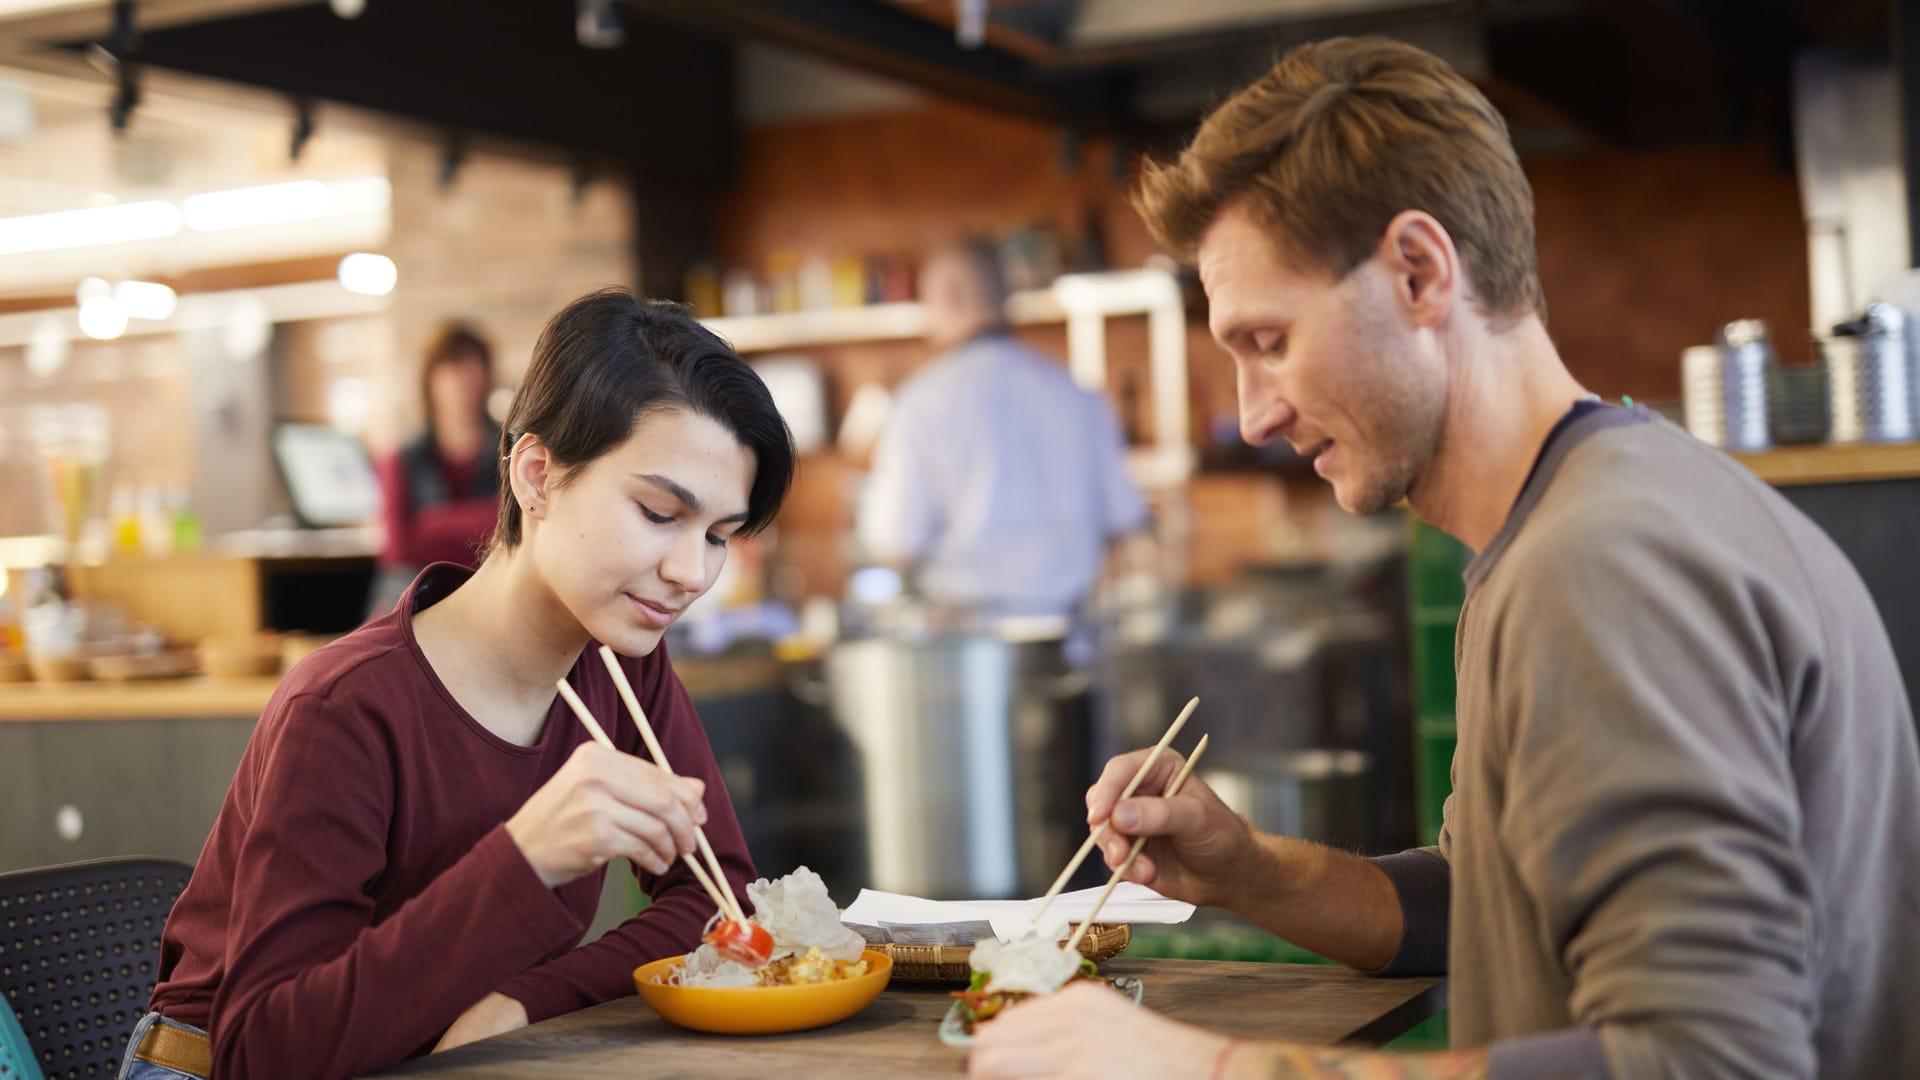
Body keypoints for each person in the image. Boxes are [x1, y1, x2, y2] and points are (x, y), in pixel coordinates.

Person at [970, 35, 1920, 1080]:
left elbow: (1710, 1059)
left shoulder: (1602, 567)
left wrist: (1209, 1068)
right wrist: (1248, 871)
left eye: (1269, 340)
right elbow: (1483, 900)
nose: (1253, 416)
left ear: (1419, 273)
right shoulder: (1587, 517)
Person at [122, 290, 795, 1080]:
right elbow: (266, 1051)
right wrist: (525, 859)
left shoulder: (622, 660)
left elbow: (715, 900)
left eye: (718, 535)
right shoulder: (345, 707)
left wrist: (520, 1002)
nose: (692, 573)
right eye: (657, 513)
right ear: (537, 477)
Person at [858, 239, 1148, 621]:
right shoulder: (1079, 396)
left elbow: (895, 544)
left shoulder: (920, 404)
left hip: (969, 648)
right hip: (1069, 634)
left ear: (951, 295)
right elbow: (1124, 520)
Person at [369, 322, 505, 614]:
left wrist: (429, 524)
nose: (461, 383)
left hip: (493, 587)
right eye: (451, 369)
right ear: (430, 381)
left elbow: (514, 530)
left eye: (470, 369)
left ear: (486, 378)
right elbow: (398, 549)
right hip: (419, 590)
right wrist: (482, 519)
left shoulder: (514, 451)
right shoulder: (402, 458)